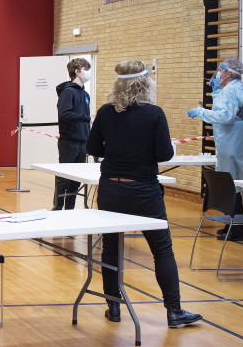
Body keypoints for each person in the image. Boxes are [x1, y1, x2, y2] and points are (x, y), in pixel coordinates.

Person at [87, 60, 202, 328]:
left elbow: (94, 147)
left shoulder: (105, 112)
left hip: (112, 188)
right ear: (144, 84)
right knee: (162, 249)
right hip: (143, 190)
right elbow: (164, 154)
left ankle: (113, 308)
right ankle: (174, 311)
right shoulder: (154, 114)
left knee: (111, 249)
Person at [187, 58, 243, 241]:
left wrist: (201, 112)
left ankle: (236, 229)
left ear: (228, 73)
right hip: (232, 139)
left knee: (232, 183)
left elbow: (225, 116)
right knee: (232, 182)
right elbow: (226, 108)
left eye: (220, 69)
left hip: (233, 140)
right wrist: (216, 92)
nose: (217, 73)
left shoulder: (232, 89)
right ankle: (232, 225)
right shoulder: (234, 87)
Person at [53, 58, 92, 210]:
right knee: (64, 176)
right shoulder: (68, 92)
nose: (88, 72)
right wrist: (86, 117)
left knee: (76, 179)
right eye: (86, 69)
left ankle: (70, 209)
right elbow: (64, 115)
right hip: (69, 142)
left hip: (83, 142)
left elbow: (86, 122)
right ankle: (57, 208)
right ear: (77, 71)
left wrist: (89, 142)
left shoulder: (86, 95)